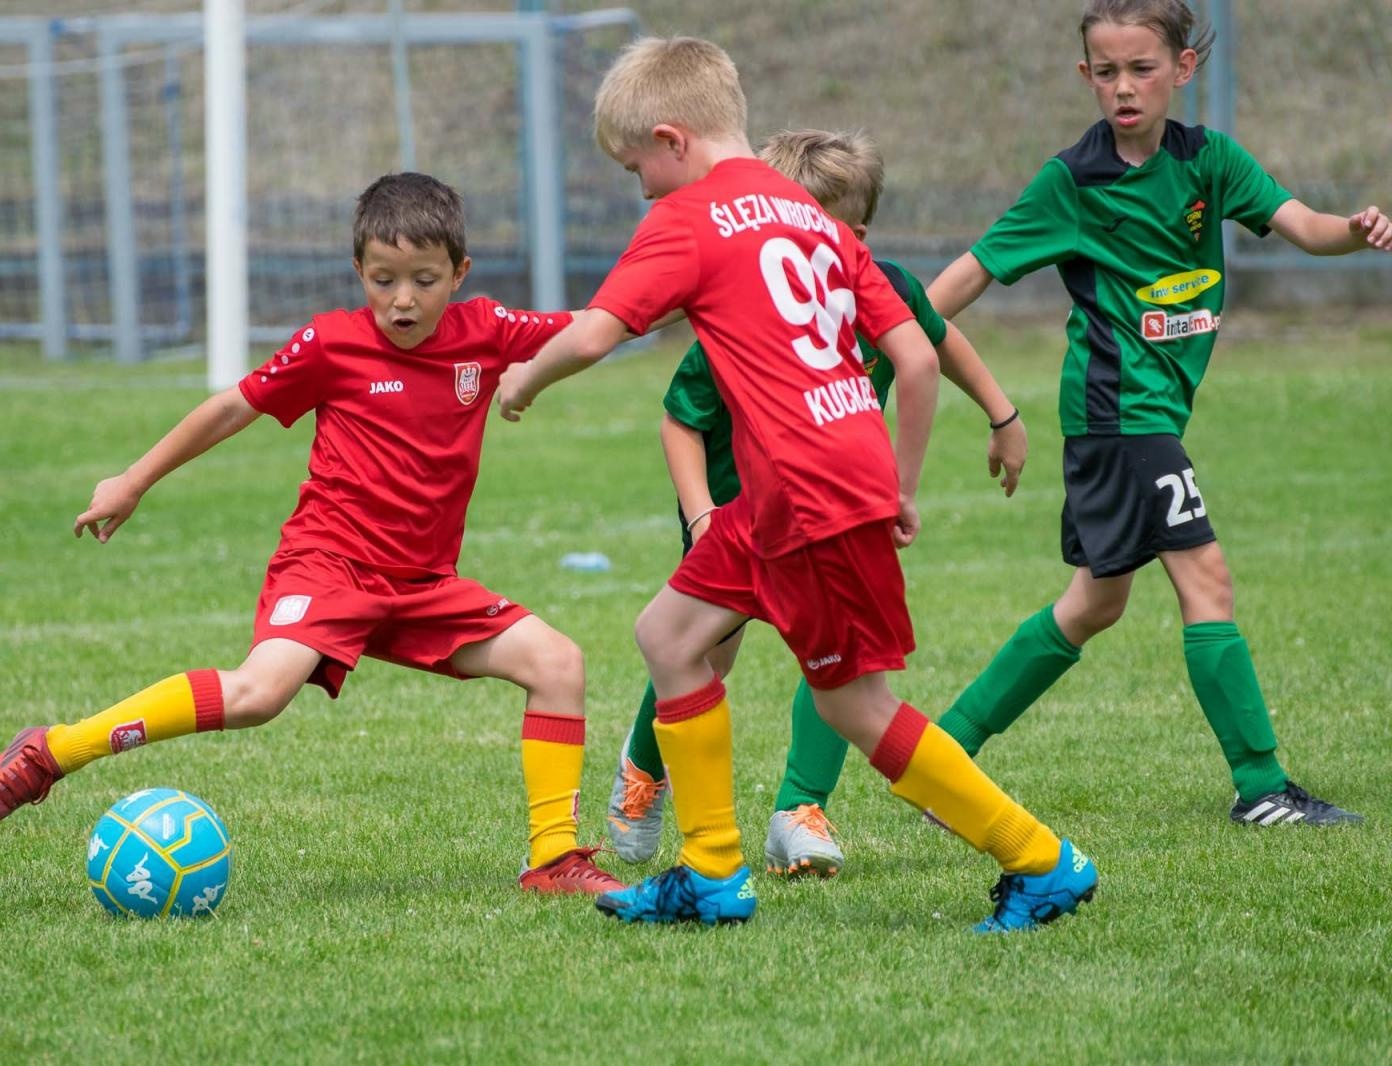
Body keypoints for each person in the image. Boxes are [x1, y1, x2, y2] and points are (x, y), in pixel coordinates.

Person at [497, 36, 1097, 931]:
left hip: (806, 491)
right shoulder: (810, 213)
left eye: (636, 168)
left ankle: (1041, 861)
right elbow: (913, 358)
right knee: (667, 634)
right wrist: (899, 482)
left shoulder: (689, 216)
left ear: (672, 139)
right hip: (795, 488)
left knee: (855, 706)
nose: (642, 190)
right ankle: (709, 874)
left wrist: (523, 381)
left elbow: (593, 333)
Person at [0, 172, 629, 896]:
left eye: (424, 280)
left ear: (460, 274)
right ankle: (53, 752)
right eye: (383, 279)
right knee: (258, 694)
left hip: (422, 584)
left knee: (557, 664)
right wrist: (133, 480)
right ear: (358, 272)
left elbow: (597, 327)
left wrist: (692, 289)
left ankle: (554, 861)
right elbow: (229, 409)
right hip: (330, 568)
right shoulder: (329, 344)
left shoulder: (487, 332)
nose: (402, 299)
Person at [927, 0, 1389, 826]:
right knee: (1206, 580)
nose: (1124, 88)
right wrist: (904, 334)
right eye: (1106, 73)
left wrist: (1356, 232)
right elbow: (976, 268)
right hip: (1120, 415)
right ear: (1086, 77)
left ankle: (943, 756)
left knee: (1094, 603)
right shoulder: (1071, 180)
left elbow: (1304, 227)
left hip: (1145, 418)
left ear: (1182, 69)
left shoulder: (1210, 162)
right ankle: (1263, 789)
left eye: (1142, 69)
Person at [606, 128, 1030, 880]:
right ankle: (645, 774)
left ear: (852, 233)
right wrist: (702, 514)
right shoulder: (749, 296)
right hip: (735, 503)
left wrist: (1002, 414)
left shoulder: (879, 284)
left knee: (833, 662)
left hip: (829, 505)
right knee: (698, 648)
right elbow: (680, 417)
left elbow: (934, 342)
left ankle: (798, 810)